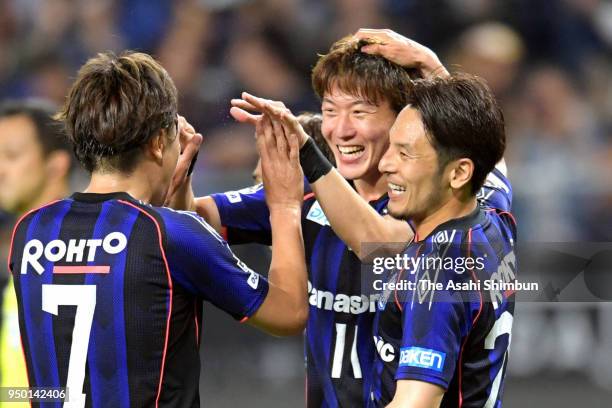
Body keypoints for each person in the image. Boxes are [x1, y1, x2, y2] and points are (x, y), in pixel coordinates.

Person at [8, 51, 308, 408]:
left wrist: (174, 196)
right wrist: (285, 204)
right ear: (156, 143)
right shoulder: (171, 234)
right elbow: (289, 312)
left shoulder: (31, 230)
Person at [191, 29, 447, 407]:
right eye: (330, 111)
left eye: (359, 112)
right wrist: (180, 170)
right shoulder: (308, 190)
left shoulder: (429, 197)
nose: (341, 130)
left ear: (402, 120)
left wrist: (308, 153)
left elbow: (375, 243)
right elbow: (196, 216)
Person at [245, 72, 515, 408]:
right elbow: (490, 149)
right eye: (391, 148)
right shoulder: (496, 215)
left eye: (405, 153)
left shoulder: (435, 273)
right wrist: (430, 67)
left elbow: (414, 404)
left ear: (459, 173)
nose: (386, 164)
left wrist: (304, 157)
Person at [0, 99, 75, 399]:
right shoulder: (29, 248)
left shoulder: (62, 255)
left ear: (56, 165)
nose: (1, 169)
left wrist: (9, 396)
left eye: (12, 155)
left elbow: (73, 391)